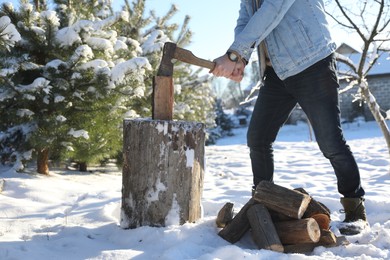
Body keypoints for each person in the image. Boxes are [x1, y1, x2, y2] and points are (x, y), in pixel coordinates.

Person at [211, 0, 367, 235]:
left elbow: (273, 8)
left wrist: (234, 54)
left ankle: (355, 209)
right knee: (258, 139)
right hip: (277, 73)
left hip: (313, 62)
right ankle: (263, 202)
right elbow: (246, 20)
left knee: (330, 142)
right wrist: (241, 59)